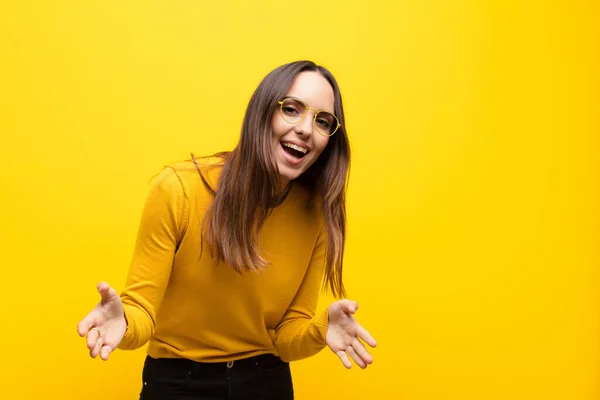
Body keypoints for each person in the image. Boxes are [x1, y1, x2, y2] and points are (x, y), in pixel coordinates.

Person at [76, 60, 376, 400]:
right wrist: (124, 325)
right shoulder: (178, 190)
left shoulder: (315, 215)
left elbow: (287, 337)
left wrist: (321, 329)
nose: (307, 128)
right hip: (179, 383)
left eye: (323, 121)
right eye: (292, 110)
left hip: (266, 382)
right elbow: (141, 309)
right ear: (262, 112)